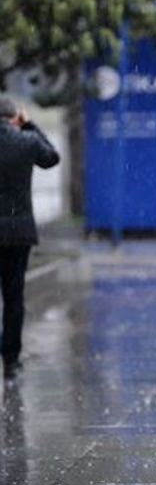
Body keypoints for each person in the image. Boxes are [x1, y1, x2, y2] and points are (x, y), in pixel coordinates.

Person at [0, 95, 60, 380]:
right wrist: (30, 125)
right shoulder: (25, 142)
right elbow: (52, 157)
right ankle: (11, 360)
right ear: (15, 118)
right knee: (14, 296)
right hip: (19, 232)